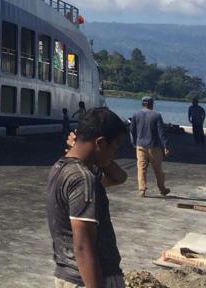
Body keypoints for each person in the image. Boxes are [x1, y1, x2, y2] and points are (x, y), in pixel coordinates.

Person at [47, 107, 128, 288]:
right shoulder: (83, 179)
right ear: (100, 143)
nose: (115, 154)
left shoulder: (61, 168)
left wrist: (84, 148)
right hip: (89, 279)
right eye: (115, 147)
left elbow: (119, 177)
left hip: (68, 274)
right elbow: (83, 247)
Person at [129, 96, 170, 197]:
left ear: (143, 104)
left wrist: (134, 143)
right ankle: (162, 189)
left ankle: (142, 189)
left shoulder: (135, 114)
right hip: (154, 146)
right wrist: (165, 146)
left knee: (141, 168)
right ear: (151, 104)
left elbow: (132, 131)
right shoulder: (156, 115)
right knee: (157, 169)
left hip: (140, 146)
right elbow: (161, 132)